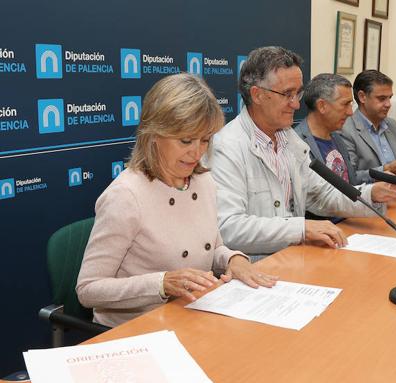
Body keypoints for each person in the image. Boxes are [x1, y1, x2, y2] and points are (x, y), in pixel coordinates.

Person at [76, 73, 277, 327]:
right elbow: (88, 289)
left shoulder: (204, 182)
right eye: (185, 140)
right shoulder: (126, 196)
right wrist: (161, 283)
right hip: (138, 328)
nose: (197, 152)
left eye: (205, 140)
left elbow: (210, 248)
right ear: (154, 134)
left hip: (191, 315)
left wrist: (232, 259)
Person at [208, 47, 396, 261]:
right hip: (256, 272)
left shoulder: (289, 140)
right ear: (257, 95)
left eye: (298, 93)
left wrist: (371, 194)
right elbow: (228, 227)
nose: (296, 104)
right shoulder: (226, 147)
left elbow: (322, 195)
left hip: (293, 261)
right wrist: (302, 229)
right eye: (287, 94)